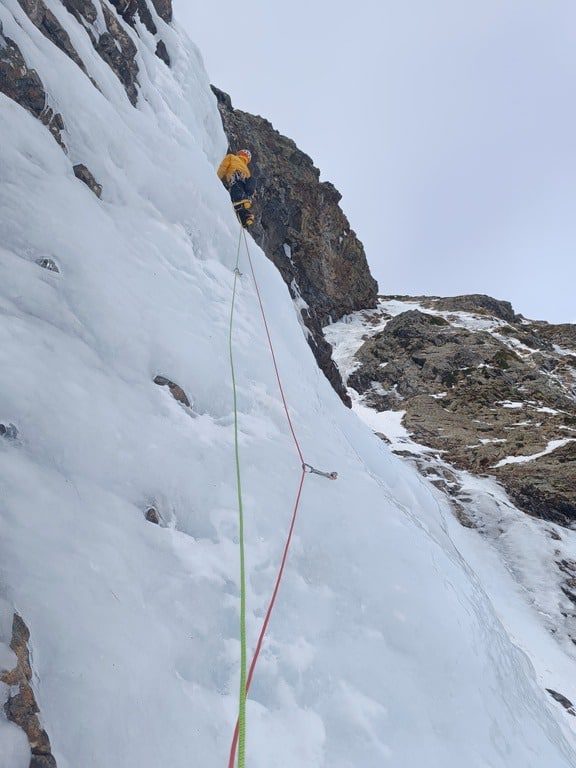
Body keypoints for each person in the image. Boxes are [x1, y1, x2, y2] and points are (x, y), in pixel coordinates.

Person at [217, 148, 256, 227]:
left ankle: (240, 199)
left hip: (235, 176)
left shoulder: (232, 157)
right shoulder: (247, 169)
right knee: (239, 203)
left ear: (239, 153)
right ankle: (246, 216)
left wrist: (217, 178)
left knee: (236, 190)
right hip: (244, 185)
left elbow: (223, 167)